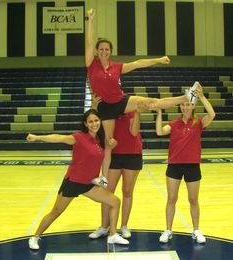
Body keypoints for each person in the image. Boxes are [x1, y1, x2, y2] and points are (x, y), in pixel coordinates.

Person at [85, 8, 198, 183]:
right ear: (97, 51)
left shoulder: (117, 67)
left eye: (107, 49)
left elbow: (138, 63)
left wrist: (158, 60)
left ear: (110, 51)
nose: (104, 52)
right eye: (101, 49)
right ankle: (103, 179)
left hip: (120, 101)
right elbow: (89, 43)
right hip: (104, 107)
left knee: (152, 102)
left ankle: (187, 97)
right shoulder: (91, 64)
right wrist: (90, 20)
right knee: (108, 144)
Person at [27, 109, 129, 250]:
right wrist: (38, 137)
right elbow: (59, 138)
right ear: (86, 124)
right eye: (90, 121)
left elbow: (102, 159)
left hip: (89, 184)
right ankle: (35, 237)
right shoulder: (79, 137)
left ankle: (112, 235)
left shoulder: (99, 140)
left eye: (96, 120)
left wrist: (102, 178)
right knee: (56, 212)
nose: (94, 124)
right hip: (73, 182)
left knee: (115, 201)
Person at [155, 82, 215, 244]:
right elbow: (160, 132)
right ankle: (168, 230)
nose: (185, 107)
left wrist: (201, 96)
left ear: (193, 106)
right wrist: (159, 113)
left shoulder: (199, 123)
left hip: (192, 166)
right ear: (180, 107)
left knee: (193, 200)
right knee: (171, 199)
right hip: (174, 165)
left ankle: (196, 230)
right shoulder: (174, 124)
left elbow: (212, 114)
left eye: (188, 104)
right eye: (183, 104)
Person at [89, 107, 143, 239]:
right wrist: (95, 104)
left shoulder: (130, 110)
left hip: (132, 154)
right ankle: (104, 227)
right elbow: (94, 121)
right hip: (113, 155)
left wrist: (137, 111)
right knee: (107, 192)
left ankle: (124, 226)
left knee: (127, 191)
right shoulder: (108, 111)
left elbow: (134, 132)